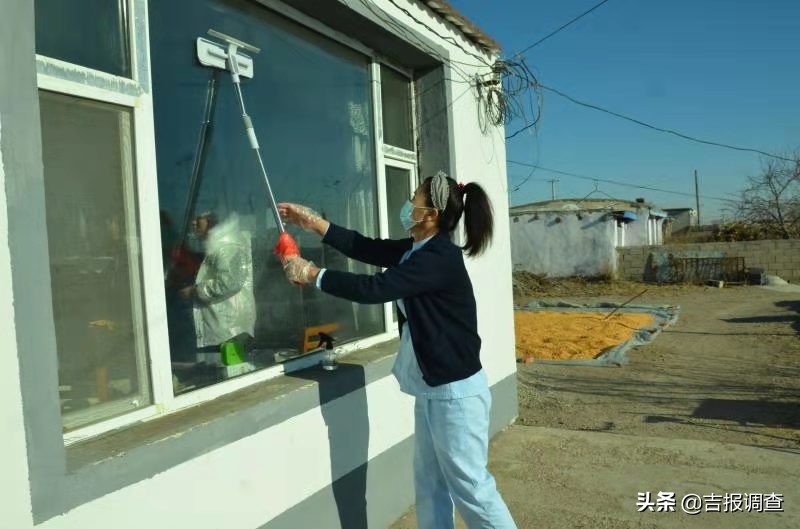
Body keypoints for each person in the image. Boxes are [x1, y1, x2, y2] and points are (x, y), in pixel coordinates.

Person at [278, 171, 517, 529]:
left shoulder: (438, 257)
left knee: (472, 488)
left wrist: (313, 274)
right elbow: (363, 246)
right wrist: (313, 223)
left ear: (430, 214)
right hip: (434, 388)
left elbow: (374, 288)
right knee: (430, 484)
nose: (408, 203)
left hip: (456, 396)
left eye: (414, 197)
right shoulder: (415, 250)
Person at [179, 211, 256, 359]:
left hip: (229, 328)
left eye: (198, 218)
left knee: (230, 369)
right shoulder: (216, 243)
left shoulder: (226, 245)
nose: (193, 222)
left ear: (211, 220)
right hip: (224, 326)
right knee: (224, 367)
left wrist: (195, 291)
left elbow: (230, 282)